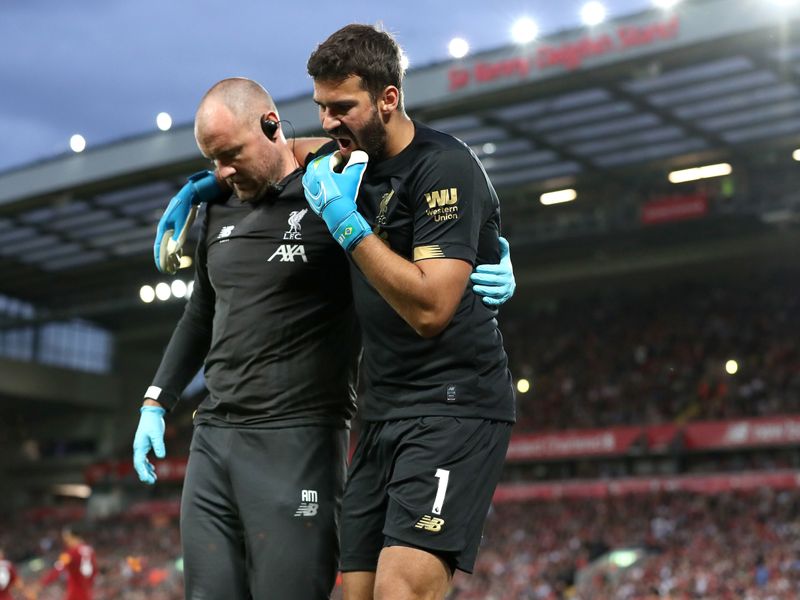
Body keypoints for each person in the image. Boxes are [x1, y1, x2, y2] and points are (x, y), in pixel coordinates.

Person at [133, 78, 516, 600]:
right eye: (210, 160)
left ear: (271, 127)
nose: (221, 172)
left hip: (302, 435)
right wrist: (156, 399)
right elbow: (200, 314)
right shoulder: (218, 204)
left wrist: (493, 252)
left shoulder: (336, 192)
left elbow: (418, 204)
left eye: (230, 155)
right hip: (215, 436)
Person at [301, 24, 516, 600]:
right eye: (321, 107)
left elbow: (430, 310)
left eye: (341, 107)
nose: (327, 122)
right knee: (358, 594)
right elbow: (286, 154)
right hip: (382, 412)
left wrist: (349, 227)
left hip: (453, 404)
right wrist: (211, 178)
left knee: (402, 592)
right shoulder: (346, 157)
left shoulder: (444, 167)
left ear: (388, 98)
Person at [37, 526, 96, 600]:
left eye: (66, 537)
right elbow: (94, 571)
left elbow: (58, 568)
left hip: (76, 593)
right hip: (88, 592)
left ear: (71, 536)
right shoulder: (89, 549)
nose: (65, 541)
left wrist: (43, 583)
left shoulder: (70, 553)